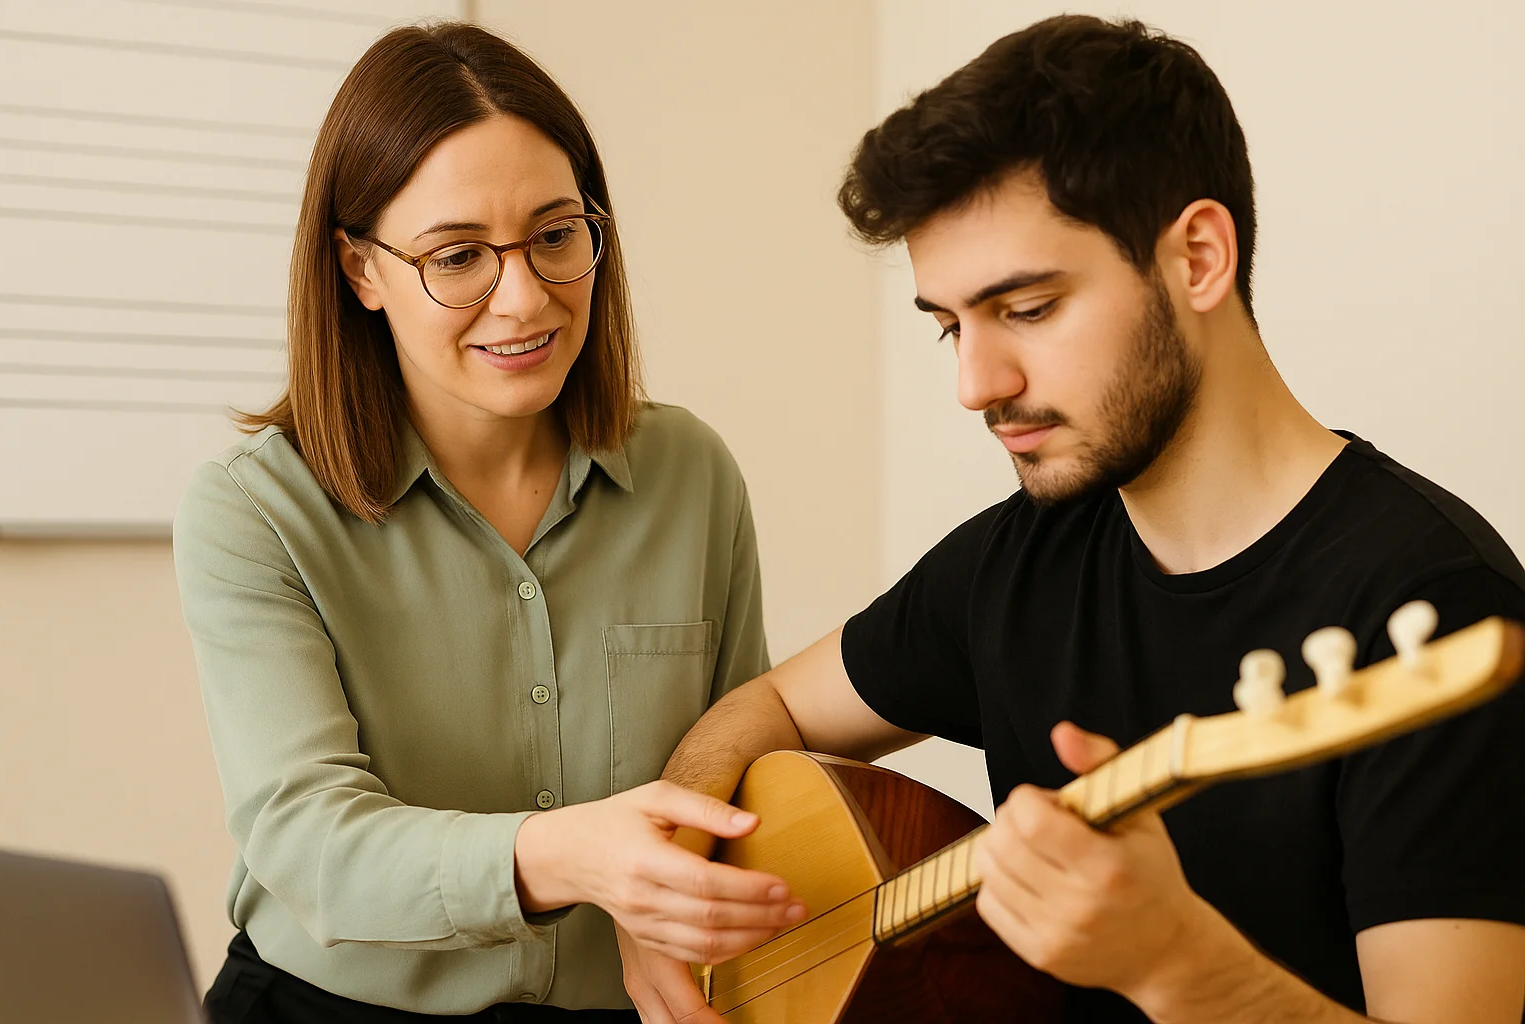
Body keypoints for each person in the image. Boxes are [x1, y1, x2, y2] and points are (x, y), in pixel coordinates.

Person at [617, 15, 1525, 1024]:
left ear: (1199, 257)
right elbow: (764, 711)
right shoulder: (1025, 556)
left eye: (1028, 307)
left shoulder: (1434, 608)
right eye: (951, 326)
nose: (975, 382)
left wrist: (1182, 966)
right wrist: (669, 893)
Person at [172, 22, 802, 1023]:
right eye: (458, 255)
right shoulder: (253, 509)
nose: (524, 299)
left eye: (556, 236)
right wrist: (570, 855)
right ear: (360, 270)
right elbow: (311, 846)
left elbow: (741, 766)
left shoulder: (692, 472)